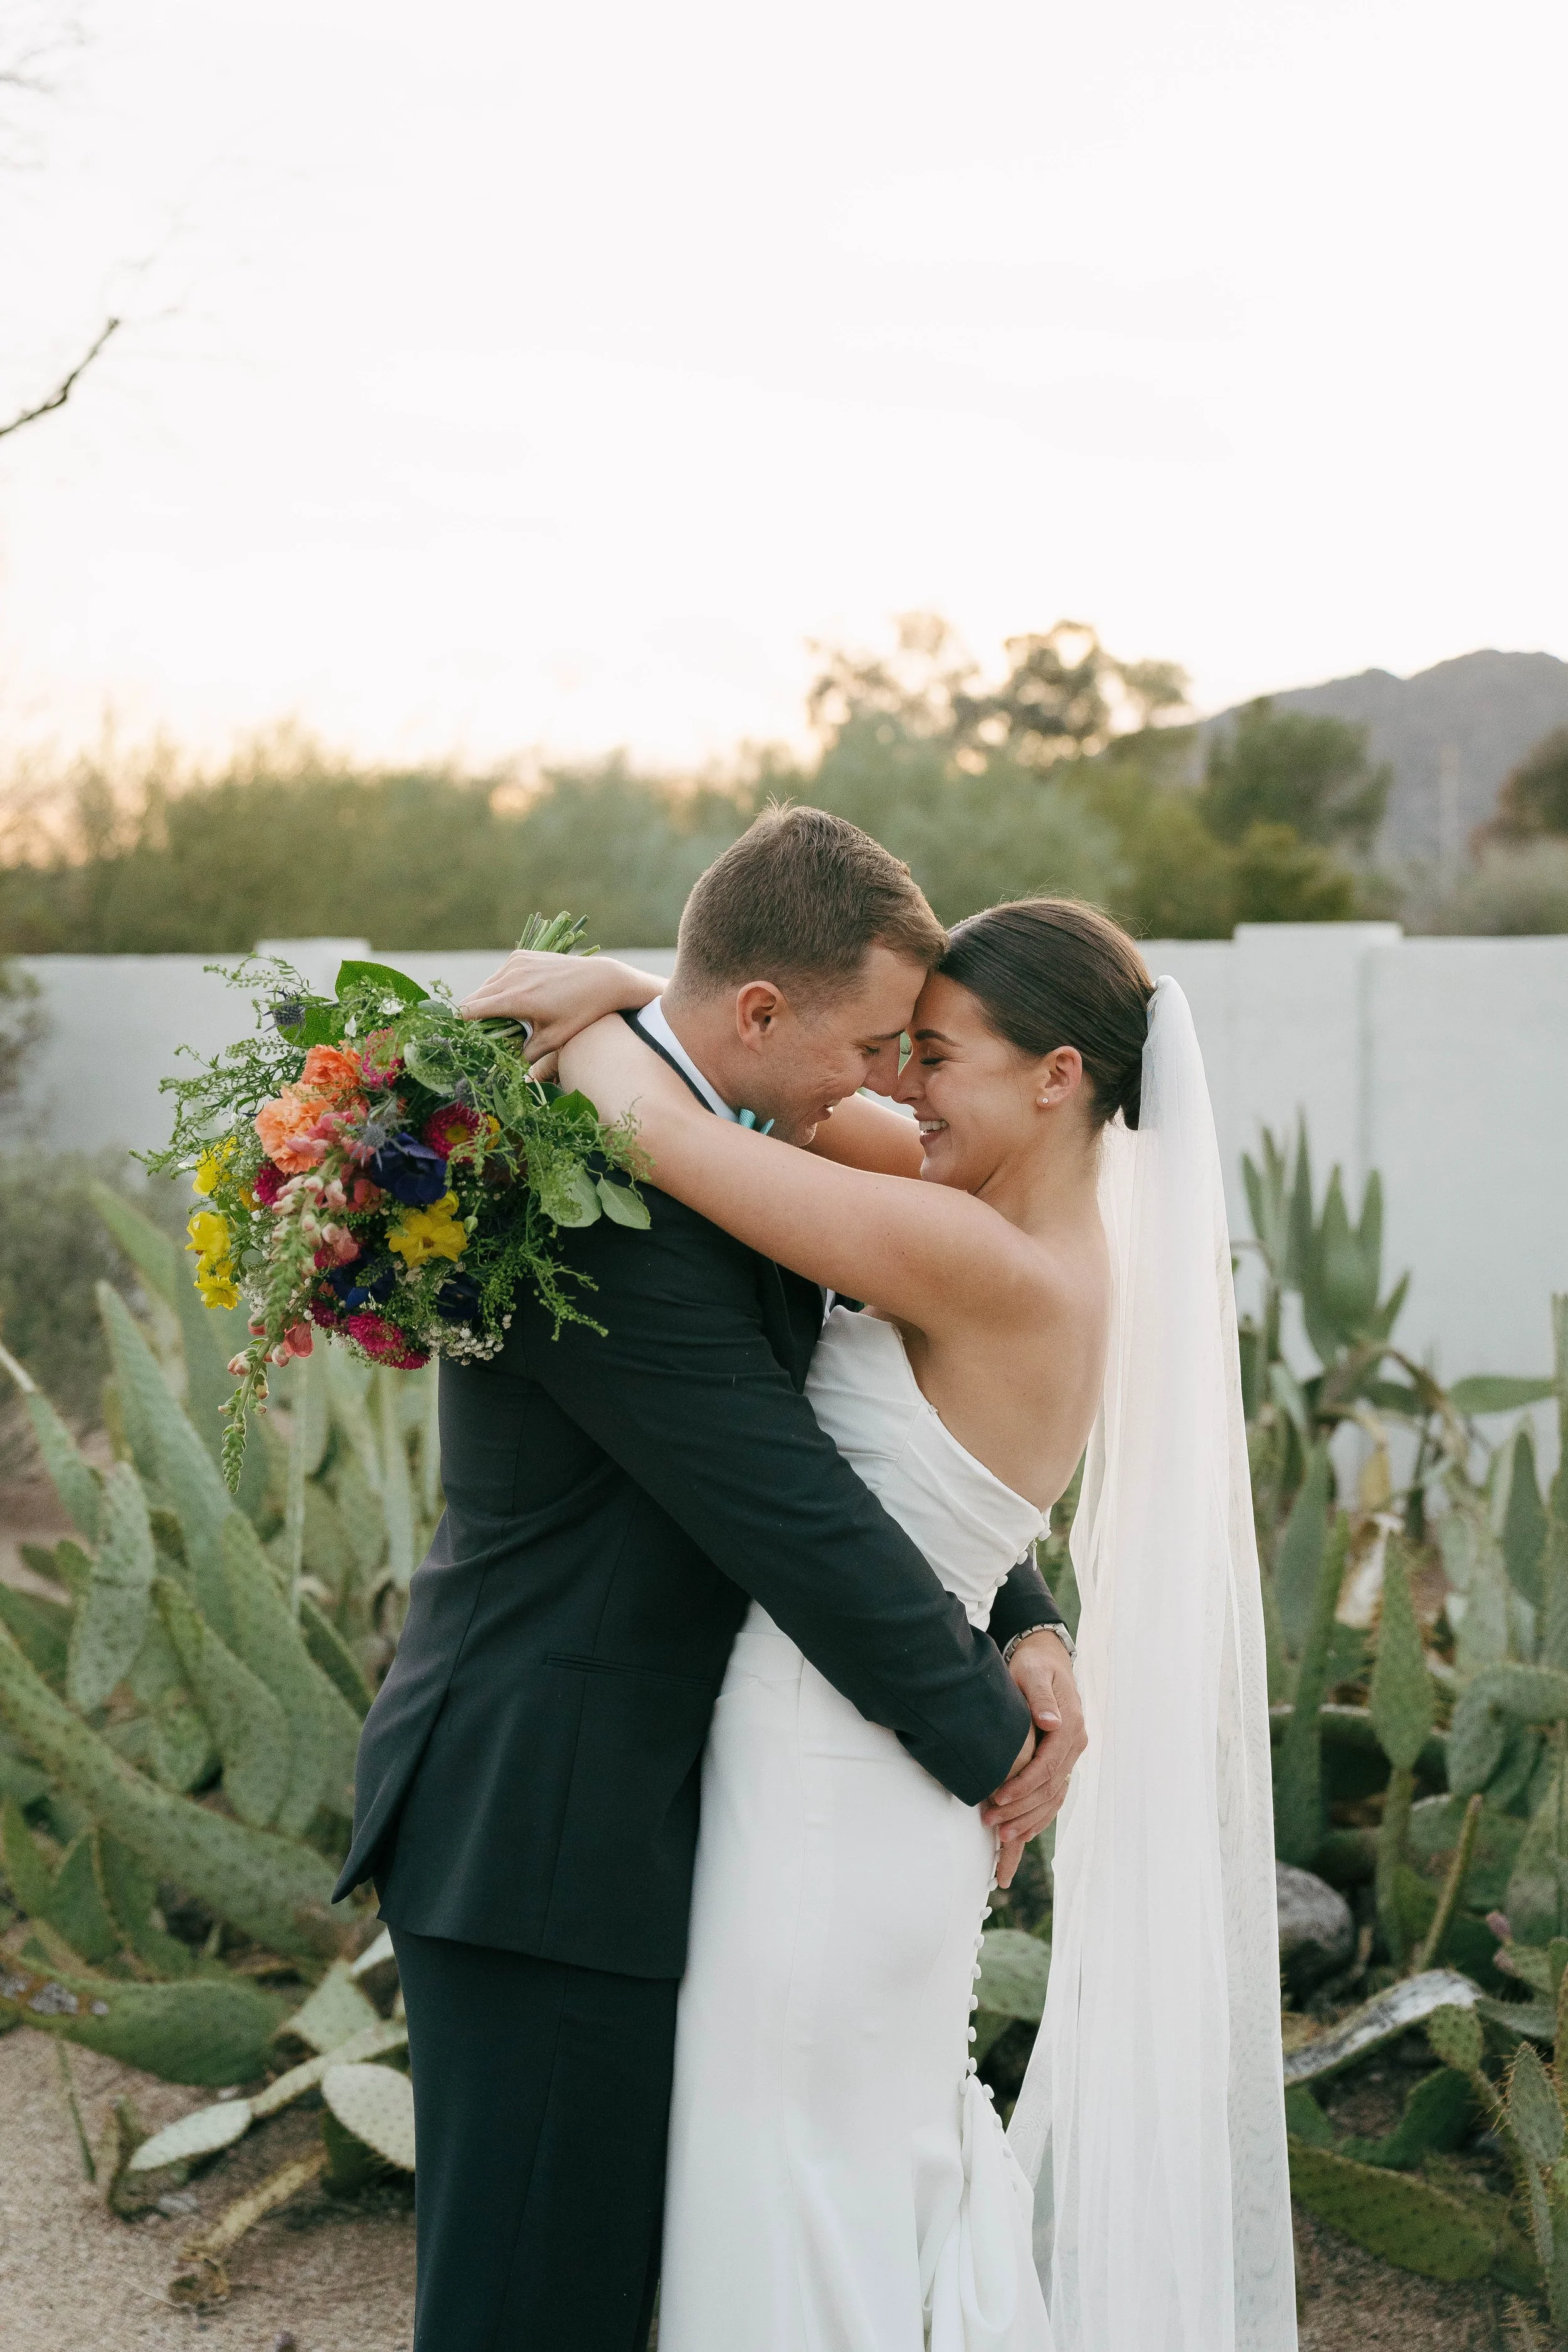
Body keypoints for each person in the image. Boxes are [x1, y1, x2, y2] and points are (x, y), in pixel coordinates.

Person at [332, 808, 1088, 2352]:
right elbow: (791, 1509)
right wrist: (986, 1753)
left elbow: (878, 1421)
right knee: (528, 2307)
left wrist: (1020, 1609)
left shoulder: (737, 1141)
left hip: (643, 1823)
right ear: (758, 1013)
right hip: (542, 1822)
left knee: (637, 2286)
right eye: (879, 1042)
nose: (886, 1082)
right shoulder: (594, 1207)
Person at [518, 880, 1295, 2352]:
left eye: (931, 1055)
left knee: (792, 2205)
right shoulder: (991, 1210)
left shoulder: (984, 1262)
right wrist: (647, 990)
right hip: (861, 1781)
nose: (895, 1084)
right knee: (846, 2191)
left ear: (1055, 1076)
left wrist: (599, 1000)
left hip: (830, 1785)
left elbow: (662, 1130)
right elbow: (749, 1074)